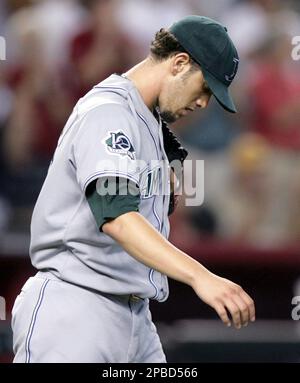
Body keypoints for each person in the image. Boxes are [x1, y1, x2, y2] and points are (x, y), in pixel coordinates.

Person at [11, 15, 255, 363]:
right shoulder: (110, 112)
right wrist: (201, 277)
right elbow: (117, 218)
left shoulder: (148, 121)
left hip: (135, 317)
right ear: (180, 62)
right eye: (204, 88)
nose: (204, 102)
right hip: (77, 309)